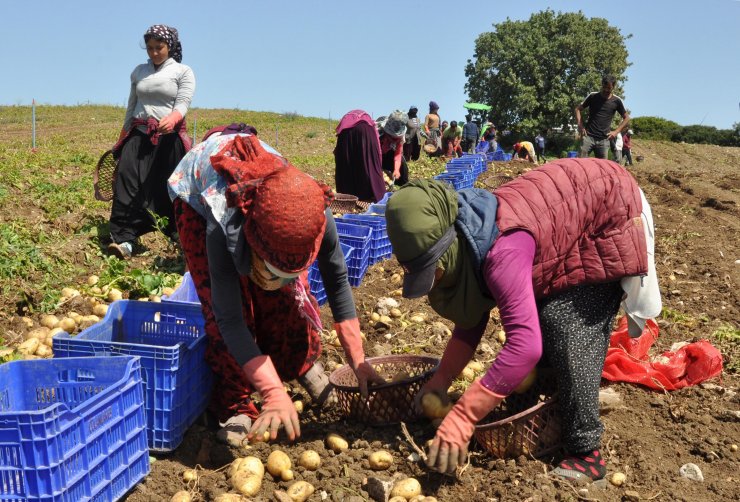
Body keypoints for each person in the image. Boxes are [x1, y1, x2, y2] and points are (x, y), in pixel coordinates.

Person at [385, 158, 661, 480]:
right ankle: (551, 406)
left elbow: (525, 347)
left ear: (447, 249)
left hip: (609, 208)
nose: (432, 281)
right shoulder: (467, 236)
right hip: (567, 213)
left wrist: (464, 416)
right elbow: (470, 319)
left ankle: (587, 453)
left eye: (433, 271)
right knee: (539, 319)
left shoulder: (501, 252)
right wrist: (440, 381)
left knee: (566, 324)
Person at [168, 132, 384, 444]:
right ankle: (235, 403)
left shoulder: (314, 211)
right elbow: (228, 319)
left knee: (290, 298)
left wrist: (358, 359)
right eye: (272, 269)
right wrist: (271, 392)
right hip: (197, 195)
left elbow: (337, 281)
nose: (277, 277)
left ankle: (300, 365)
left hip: (276, 202)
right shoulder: (222, 221)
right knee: (231, 307)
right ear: (254, 244)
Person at [108, 25, 195, 259]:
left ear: (170, 47)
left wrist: (174, 117)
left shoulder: (182, 71)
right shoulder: (139, 72)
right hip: (139, 135)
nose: (154, 53)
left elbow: (183, 103)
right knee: (127, 182)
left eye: (159, 47)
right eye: (150, 48)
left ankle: (178, 235)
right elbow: (131, 106)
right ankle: (124, 239)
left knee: (168, 188)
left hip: (169, 139)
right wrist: (122, 137)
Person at [333, 110, 386, 202]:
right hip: (365, 130)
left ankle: (348, 198)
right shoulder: (371, 124)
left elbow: (339, 155)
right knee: (369, 163)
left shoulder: (347, 119)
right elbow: (377, 153)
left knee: (346, 163)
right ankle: (378, 196)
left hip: (346, 132)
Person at [575, 75, 630, 159]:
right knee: (580, 163)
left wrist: (616, 132)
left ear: (613, 87)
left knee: (602, 167)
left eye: (609, 88)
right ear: (602, 85)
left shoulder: (617, 101)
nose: (606, 90)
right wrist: (580, 126)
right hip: (588, 137)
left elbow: (627, 118)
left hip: (604, 140)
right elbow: (578, 109)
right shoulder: (593, 96)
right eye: (604, 87)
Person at [377, 111, 409, 186]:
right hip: (375, 154)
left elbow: (398, 155)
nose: (395, 140)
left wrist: (396, 170)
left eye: (396, 138)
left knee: (403, 165)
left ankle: (402, 186)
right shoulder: (377, 133)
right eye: (392, 137)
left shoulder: (401, 136)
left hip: (388, 153)